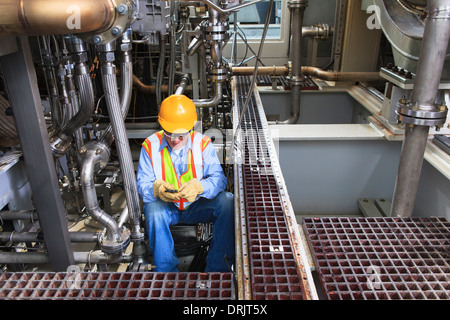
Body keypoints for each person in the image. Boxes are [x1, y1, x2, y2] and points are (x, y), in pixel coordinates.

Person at [136, 94, 235, 272]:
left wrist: (200, 187)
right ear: (161, 125)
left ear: (190, 128)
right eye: (168, 133)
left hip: (197, 205)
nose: (174, 140)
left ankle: (218, 269)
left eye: (180, 135)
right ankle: (166, 273)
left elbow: (219, 179)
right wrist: (156, 189)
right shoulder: (149, 146)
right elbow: (142, 184)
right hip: (168, 207)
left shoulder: (203, 144)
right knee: (152, 210)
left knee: (228, 202)